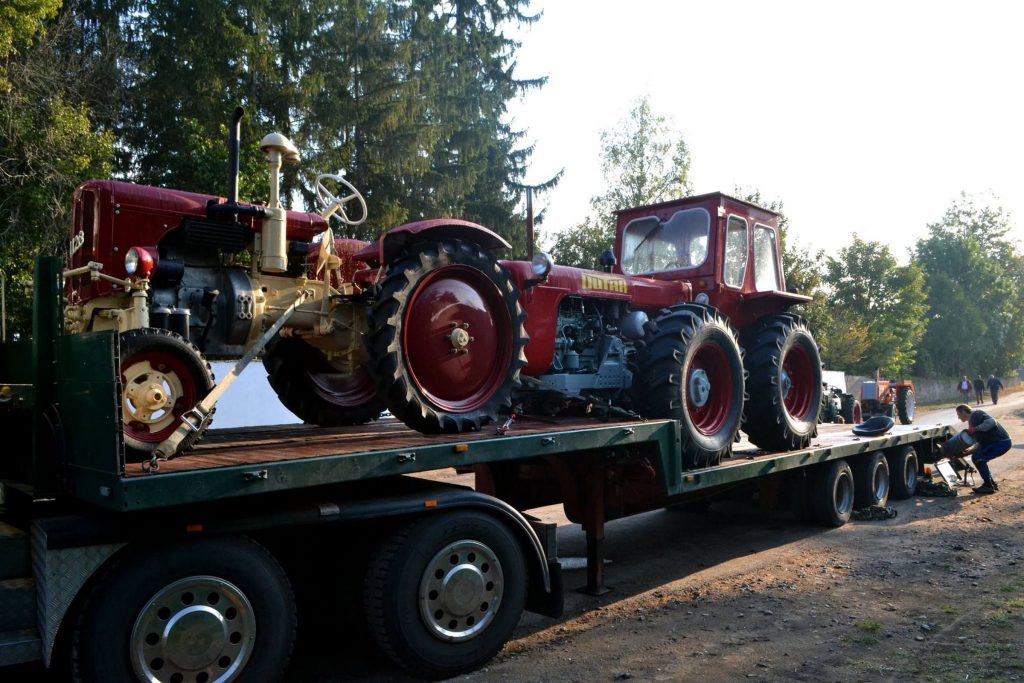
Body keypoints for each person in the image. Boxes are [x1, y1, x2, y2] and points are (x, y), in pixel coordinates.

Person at [955, 403, 1012, 494]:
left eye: (958, 414)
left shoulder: (976, 414)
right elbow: (980, 444)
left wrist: (977, 428)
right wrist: (968, 452)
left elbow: (992, 422)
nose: (958, 417)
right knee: (977, 457)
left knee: (978, 458)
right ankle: (991, 484)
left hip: (1000, 442)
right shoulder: (972, 421)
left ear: (963, 411)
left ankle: (988, 486)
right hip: (998, 443)